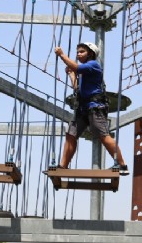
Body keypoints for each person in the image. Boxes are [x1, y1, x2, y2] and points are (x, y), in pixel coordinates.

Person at [54, 42, 129, 176]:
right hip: (83, 108)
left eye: (82, 51)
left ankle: (122, 165)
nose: (78, 54)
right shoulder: (83, 72)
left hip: (95, 107)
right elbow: (78, 88)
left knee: (103, 136)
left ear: (91, 54)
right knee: (71, 134)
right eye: (77, 52)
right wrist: (72, 75)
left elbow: (76, 66)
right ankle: (63, 166)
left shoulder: (93, 65)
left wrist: (61, 55)